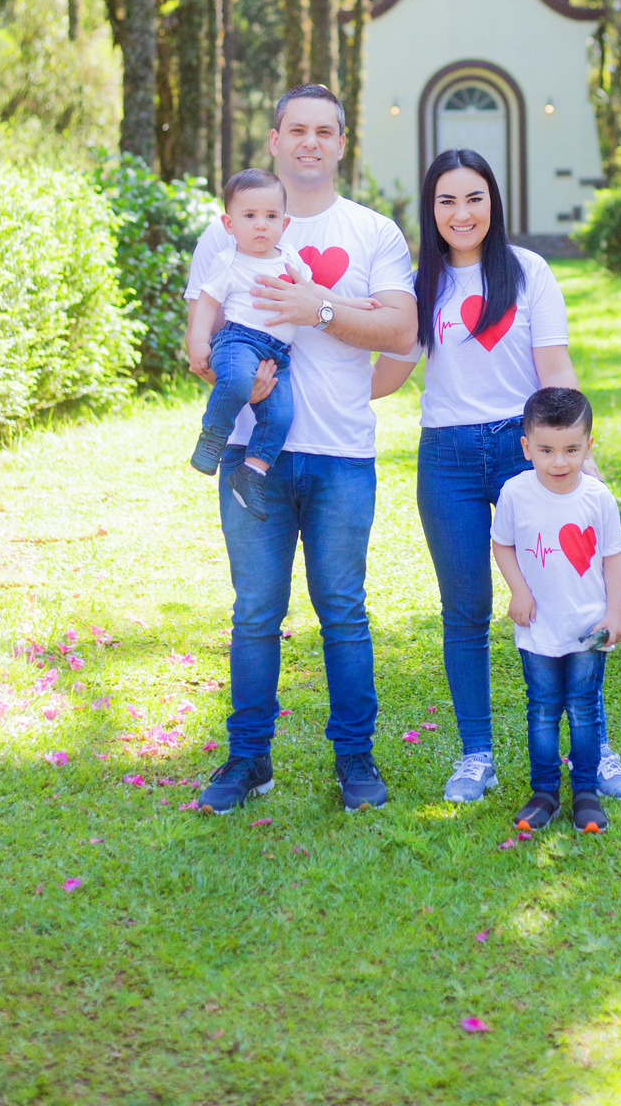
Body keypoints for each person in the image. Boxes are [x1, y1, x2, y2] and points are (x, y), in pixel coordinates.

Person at [370, 148, 621, 805]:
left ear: (494, 202)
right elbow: (391, 370)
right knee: (465, 610)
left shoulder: (528, 273)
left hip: (527, 452)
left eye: (474, 198)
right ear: (431, 210)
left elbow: (555, 369)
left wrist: (586, 468)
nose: (461, 213)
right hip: (448, 458)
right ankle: (476, 756)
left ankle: (593, 752)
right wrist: (316, 390)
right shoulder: (418, 285)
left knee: (562, 602)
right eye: (446, 201)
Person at [183, 84, 418, 815]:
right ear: (276, 140)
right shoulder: (228, 230)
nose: (311, 142)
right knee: (255, 611)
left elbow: (402, 334)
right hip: (254, 451)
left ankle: (355, 760)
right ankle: (248, 761)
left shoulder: (373, 232)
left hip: (342, 455)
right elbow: (200, 334)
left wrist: (318, 308)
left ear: (342, 144)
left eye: (325, 131)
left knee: (343, 611)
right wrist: (224, 367)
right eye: (297, 130)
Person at [492, 386, 621, 836]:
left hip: (588, 628)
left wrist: (614, 613)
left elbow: (612, 556)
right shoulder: (514, 493)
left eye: (572, 449)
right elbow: (503, 544)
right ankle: (545, 791)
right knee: (543, 709)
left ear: (589, 444)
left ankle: (586, 791)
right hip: (538, 628)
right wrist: (518, 590)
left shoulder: (598, 498)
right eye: (546, 450)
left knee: (585, 709)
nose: (559, 462)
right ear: (527, 446)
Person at [186, 168, 311, 518]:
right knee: (238, 380)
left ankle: (251, 472)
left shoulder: (290, 260)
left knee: (282, 415)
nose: (260, 225)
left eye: (270, 216)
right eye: (250, 216)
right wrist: (199, 342)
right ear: (229, 224)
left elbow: (313, 295)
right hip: (237, 341)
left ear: (284, 224)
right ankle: (213, 436)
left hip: (278, 356)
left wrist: (353, 306)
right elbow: (208, 303)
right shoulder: (229, 260)